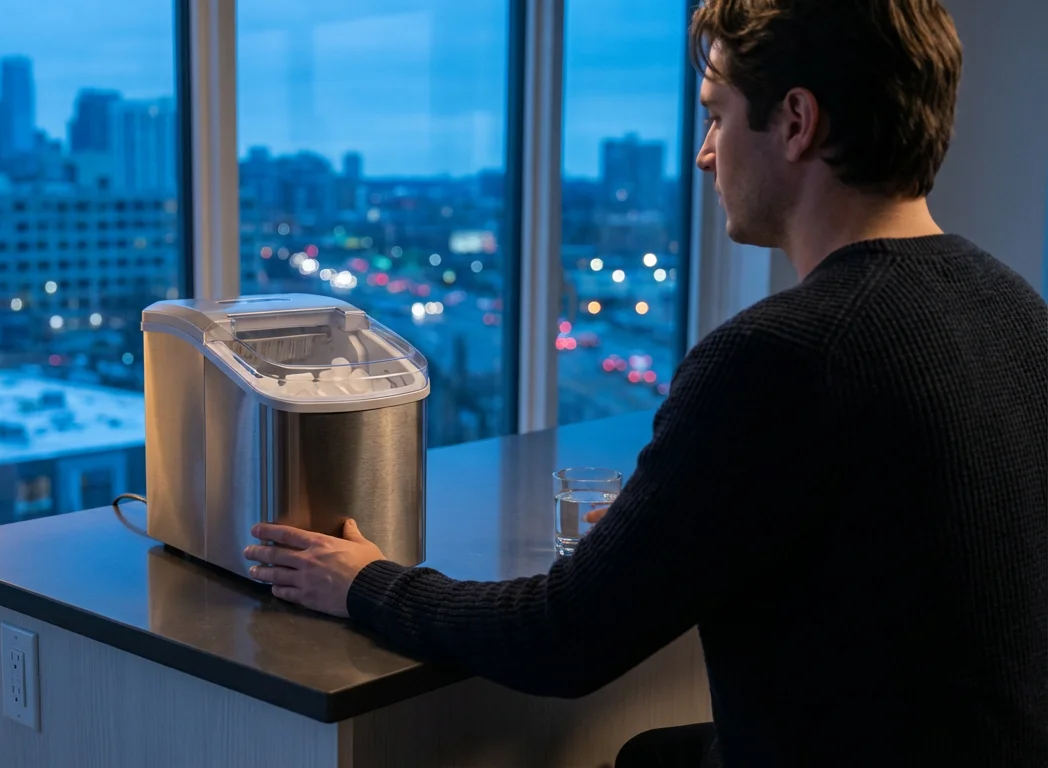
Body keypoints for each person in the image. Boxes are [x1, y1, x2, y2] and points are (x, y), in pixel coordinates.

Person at [243, 0, 1048, 764]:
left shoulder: (784, 356)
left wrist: (366, 584)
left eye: (716, 114)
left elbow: (564, 639)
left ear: (797, 124)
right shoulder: (1016, 309)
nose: (703, 152)